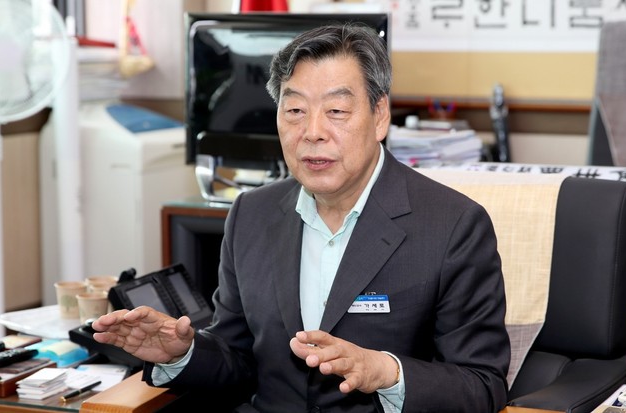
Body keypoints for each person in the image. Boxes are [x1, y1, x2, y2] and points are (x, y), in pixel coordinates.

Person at [92, 22, 510, 412]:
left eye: (337, 111)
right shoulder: (251, 215)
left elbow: (482, 385)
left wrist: (387, 373)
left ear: (380, 115)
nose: (312, 132)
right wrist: (182, 354)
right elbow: (238, 361)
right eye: (294, 111)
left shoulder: (452, 225)